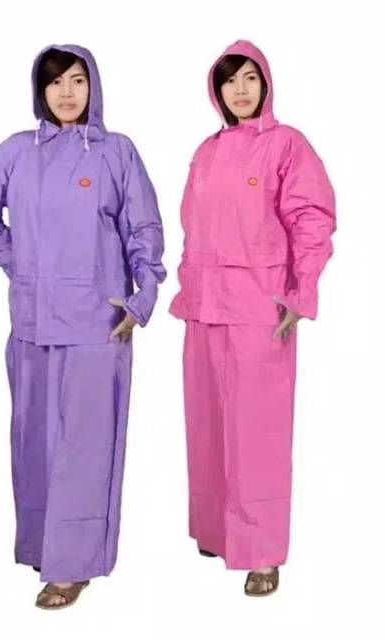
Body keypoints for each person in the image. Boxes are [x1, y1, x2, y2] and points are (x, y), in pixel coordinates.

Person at [0, 44, 165, 609]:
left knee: (84, 449)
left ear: (93, 86)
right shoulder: (16, 151)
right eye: (55, 82)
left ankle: (72, 566)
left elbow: (143, 229)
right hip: (31, 323)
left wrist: (141, 299)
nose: (67, 92)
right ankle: (40, 547)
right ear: (40, 91)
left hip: (97, 324)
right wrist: (15, 261)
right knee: (34, 445)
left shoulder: (116, 152)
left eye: (77, 80)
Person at [169, 39, 336, 596]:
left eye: (249, 78)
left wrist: (299, 292)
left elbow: (312, 219)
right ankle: (217, 530)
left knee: (257, 431)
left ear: (266, 84)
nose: (239, 89)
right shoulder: (208, 150)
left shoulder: (287, 144)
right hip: (204, 304)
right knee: (208, 426)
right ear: (215, 91)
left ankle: (262, 551)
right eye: (229, 80)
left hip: (261, 306)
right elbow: (194, 226)